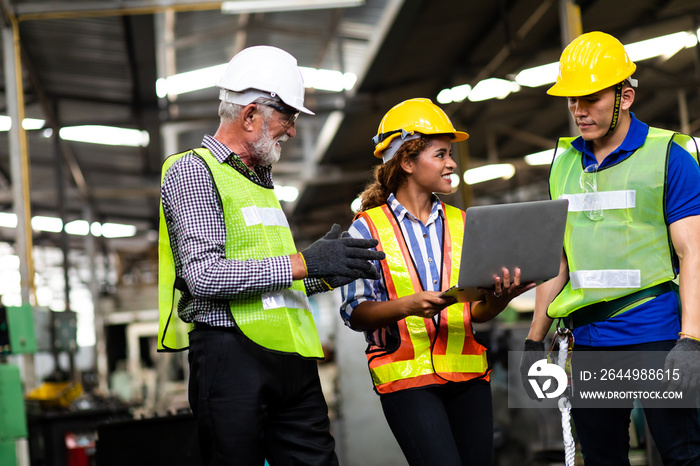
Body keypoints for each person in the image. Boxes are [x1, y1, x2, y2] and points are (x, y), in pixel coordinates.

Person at [157, 45, 385, 466]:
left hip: (291, 359)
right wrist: (305, 261)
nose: (293, 130)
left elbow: (278, 280)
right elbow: (204, 276)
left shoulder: (262, 183)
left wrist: (330, 269)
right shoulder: (193, 170)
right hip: (230, 357)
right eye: (288, 117)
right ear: (250, 116)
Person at [519, 31, 700, 465]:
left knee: (683, 456)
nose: (579, 111)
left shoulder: (669, 154)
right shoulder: (562, 163)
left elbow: (693, 252)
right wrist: (533, 339)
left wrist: (691, 338)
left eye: (592, 99)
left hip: (656, 334)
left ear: (626, 95)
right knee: (603, 458)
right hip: (590, 340)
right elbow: (557, 260)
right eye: (571, 101)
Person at [339, 98, 534, 466]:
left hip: (469, 375)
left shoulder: (464, 223)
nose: (451, 164)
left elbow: (475, 311)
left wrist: (498, 300)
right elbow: (355, 312)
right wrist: (409, 305)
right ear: (408, 162)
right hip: (406, 379)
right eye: (441, 154)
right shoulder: (365, 228)